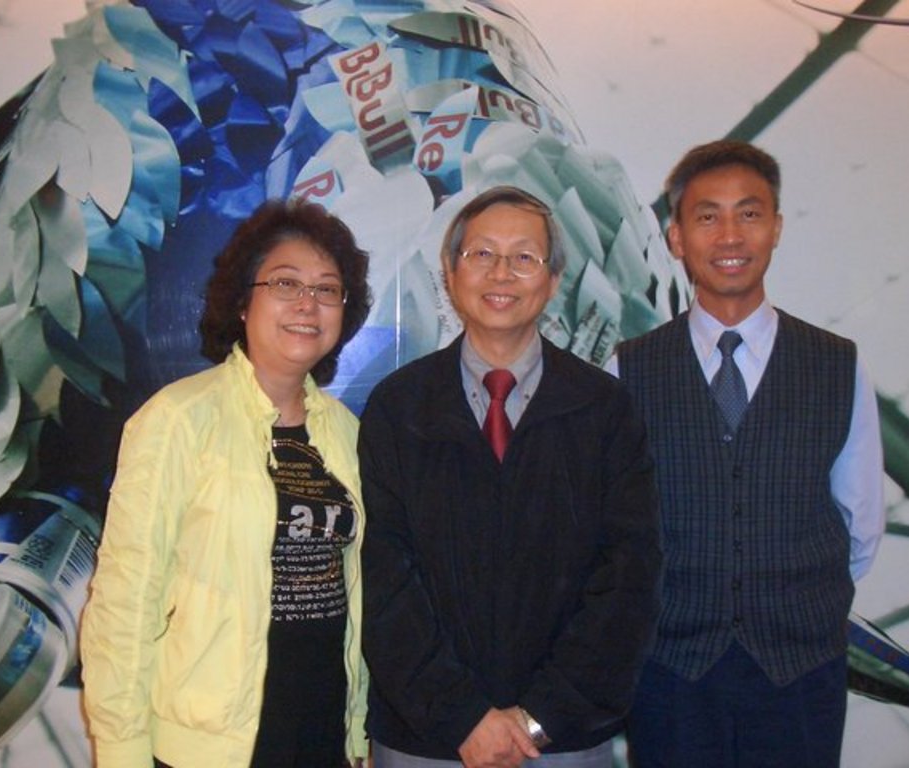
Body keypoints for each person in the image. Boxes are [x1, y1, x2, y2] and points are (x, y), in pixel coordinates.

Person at [358, 185, 663, 768]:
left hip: (563, 741)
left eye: (524, 256)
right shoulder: (399, 406)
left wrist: (540, 718)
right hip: (426, 739)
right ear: (450, 272)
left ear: (553, 280)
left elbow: (629, 577)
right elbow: (383, 577)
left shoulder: (605, 409)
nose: (501, 273)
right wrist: (461, 717)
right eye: (481, 254)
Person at [613, 139, 885, 767]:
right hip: (669, 671)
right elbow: (618, 527)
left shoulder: (837, 365)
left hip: (801, 672)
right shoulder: (628, 369)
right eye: (707, 216)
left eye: (750, 214)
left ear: (777, 228)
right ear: (677, 237)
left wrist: (794, 604)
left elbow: (861, 524)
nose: (730, 235)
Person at [80, 198, 373, 768]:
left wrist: (356, 728)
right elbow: (125, 602)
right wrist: (121, 751)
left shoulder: (347, 432)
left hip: (321, 729)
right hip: (210, 745)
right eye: (285, 283)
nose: (307, 303)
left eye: (327, 289)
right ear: (242, 302)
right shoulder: (177, 420)